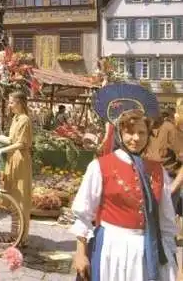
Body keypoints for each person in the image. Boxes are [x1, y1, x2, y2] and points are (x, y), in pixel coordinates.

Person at [71, 109, 177, 281]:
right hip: (111, 249)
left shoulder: (158, 171)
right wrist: (81, 254)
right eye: (130, 132)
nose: (136, 138)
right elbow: (83, 214)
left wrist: (168, 257)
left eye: (141, 132)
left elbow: (166, 221)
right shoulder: (100, 167)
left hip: (146, 250)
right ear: (120, 134)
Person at [0, 90, 33, 246]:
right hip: (13, 159)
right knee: (13, 198)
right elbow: (11, 139)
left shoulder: (25, 120)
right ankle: (14, 233)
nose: (9, 105)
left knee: (21, 198)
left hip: (21, 160)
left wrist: (1, 150)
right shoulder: (16, 119)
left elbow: (22, 143)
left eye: (11, 102)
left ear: (19, 103)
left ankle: (22, 237)